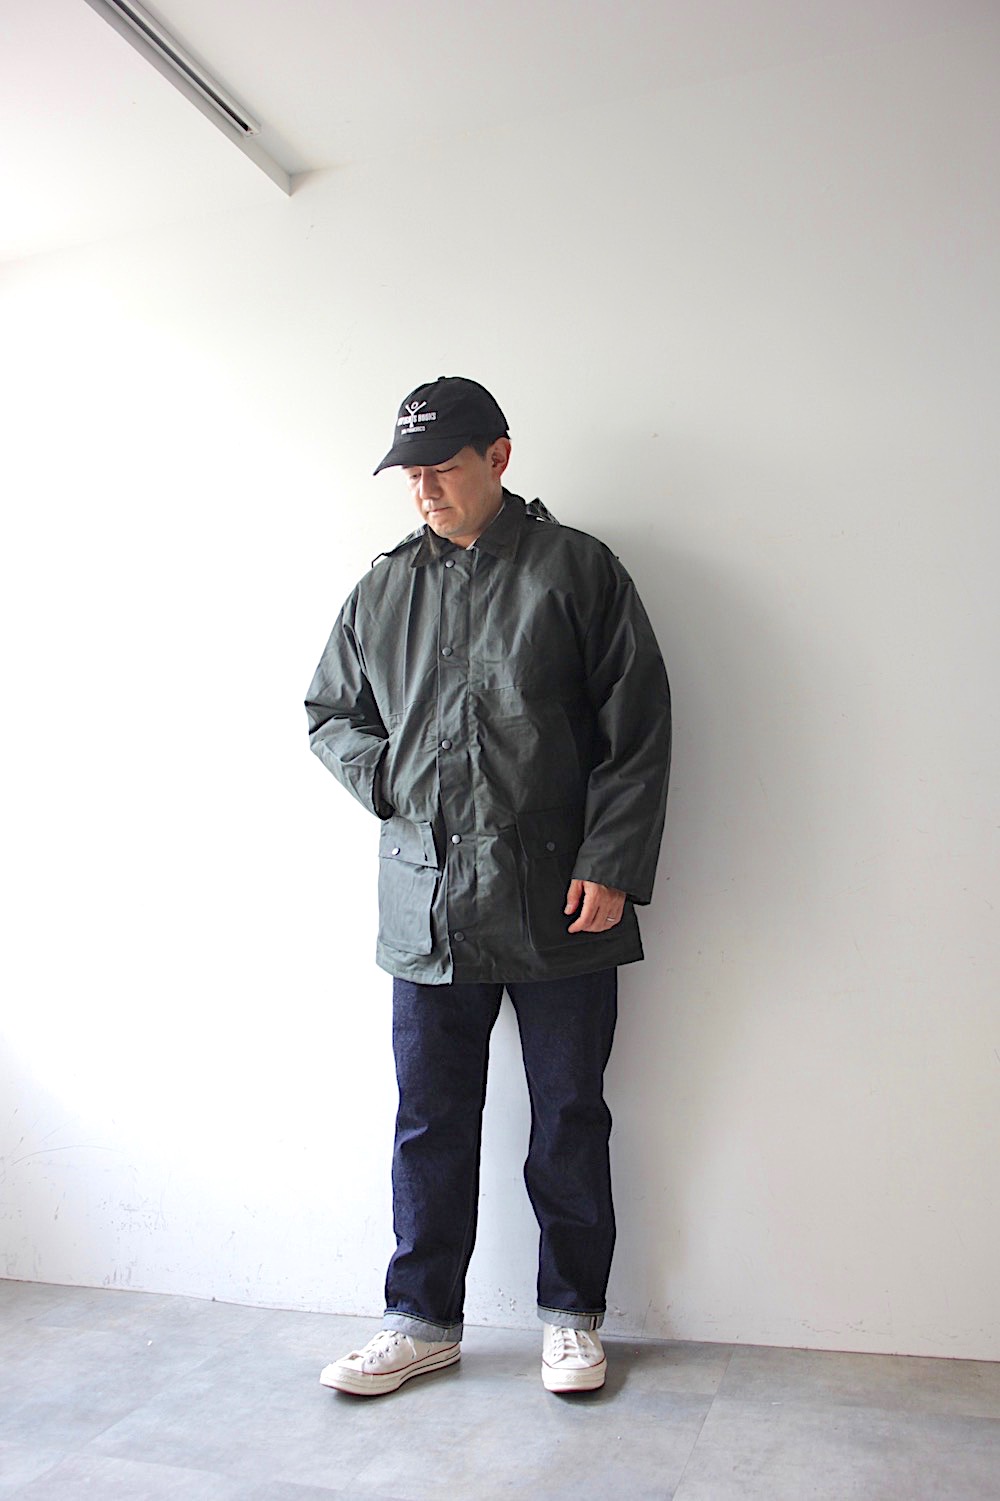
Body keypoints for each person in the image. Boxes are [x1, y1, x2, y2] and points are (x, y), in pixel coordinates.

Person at [305, 376, 671, 1396]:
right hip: (428, 908)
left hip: (562, 903)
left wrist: (611, 862)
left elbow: (637, 729)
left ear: (499, 458)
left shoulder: (577, 571)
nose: (425, 490)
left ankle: (572, 1317)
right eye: (410, 475)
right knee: (429, 1121)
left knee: (569, 1116)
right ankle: (420, 1320)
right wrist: (392, 782)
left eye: (443, 469)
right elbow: (330, 713)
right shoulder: (383, 591)